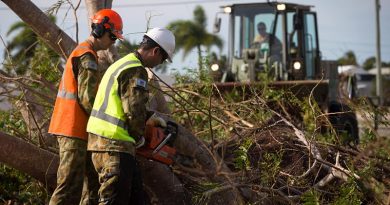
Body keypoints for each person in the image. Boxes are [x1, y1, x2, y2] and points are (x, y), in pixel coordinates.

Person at [86, 27, 175, 204]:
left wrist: (150, 118)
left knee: (137, 199)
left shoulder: (122, 63)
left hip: (98, 144)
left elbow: (119, 102)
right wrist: (140, 136)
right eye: (162, 59)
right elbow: (133, 110)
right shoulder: (136, 70)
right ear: (156, 51)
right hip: (115, 145)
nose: (160, 63)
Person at [48, 9, 124, 205]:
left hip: (80, 129)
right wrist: (110, 121)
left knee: (90, 190)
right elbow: (88, 99)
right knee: (68, 188)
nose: (113, 42)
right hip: (72, 128)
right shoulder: (86, 56)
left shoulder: (87, 54)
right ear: (101, 30)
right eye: (113, 36)